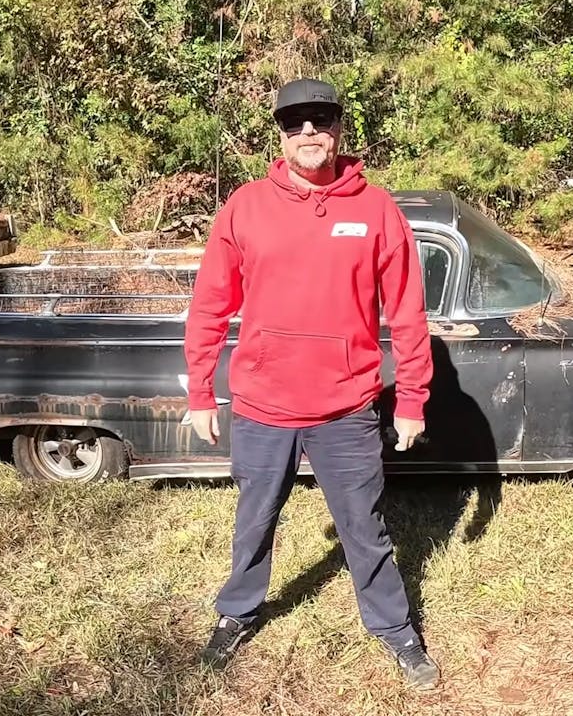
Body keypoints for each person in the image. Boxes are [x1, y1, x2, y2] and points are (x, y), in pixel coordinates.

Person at [182, 78, 439, 688]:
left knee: (364, 525)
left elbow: (406, 310)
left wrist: (412, 398)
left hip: (346, 406)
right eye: (295, 123)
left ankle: (394, 629)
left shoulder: (376, 209)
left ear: (339, 129)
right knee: (254, 518)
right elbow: (211, 304)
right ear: (280, 132)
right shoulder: (244, 206)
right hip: (262, 405)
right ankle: (238, 612)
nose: (308, 133)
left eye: (320, 121)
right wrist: (198, 388)